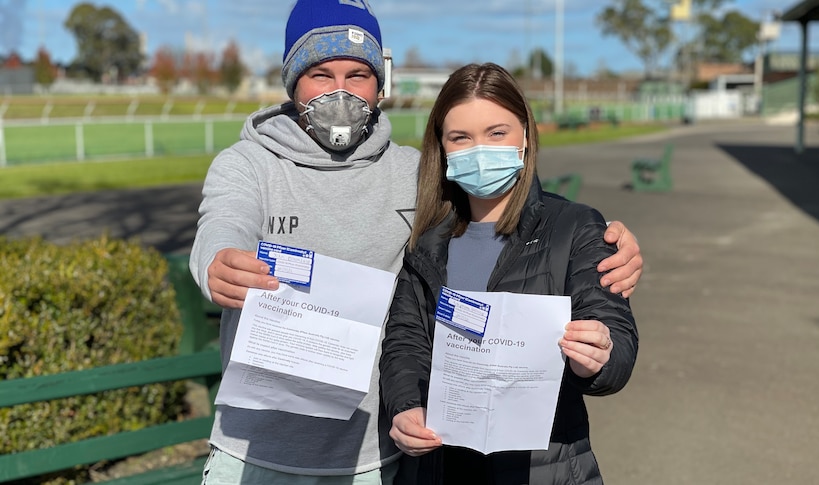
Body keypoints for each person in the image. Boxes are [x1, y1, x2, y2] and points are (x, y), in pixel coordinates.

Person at [189, 1, 642, 483]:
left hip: (378, 454)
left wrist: (613, 244)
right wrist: (216, 263)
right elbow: (221, 228)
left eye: (358, 74)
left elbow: (512, 215)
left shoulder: (416, 177)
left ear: (379, 83)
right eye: (321, 74)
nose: (341, 91)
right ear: (292, 80)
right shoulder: (247, 166)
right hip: (258, 450)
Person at [379, 62, 639, 485]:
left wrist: (600, 356)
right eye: (460, 137)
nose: (479, 150)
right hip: (441, 467)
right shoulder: (427, 243)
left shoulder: (576, 227)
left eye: (496, 133)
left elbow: (616, 338)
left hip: (545, 470)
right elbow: (406, 339)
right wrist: (406, 406)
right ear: (441, 149)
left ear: (525, 135)